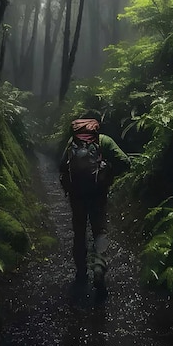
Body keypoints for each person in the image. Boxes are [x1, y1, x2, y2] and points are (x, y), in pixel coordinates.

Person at [59, 111, 131, 290]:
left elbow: (61, 166)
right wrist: (110, 173)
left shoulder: (72, 142)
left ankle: (81, 272)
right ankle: (99, 268)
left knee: (79, 233)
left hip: (77, 197)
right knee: (99, 231)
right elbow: (125, 162)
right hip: (99, 195)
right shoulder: (104, 141)